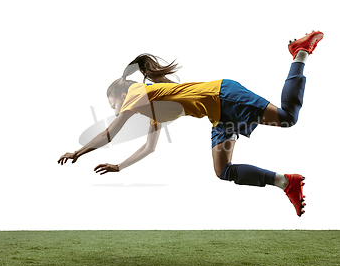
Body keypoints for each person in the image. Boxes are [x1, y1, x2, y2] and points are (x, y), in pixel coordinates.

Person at [58, 31, 324, 217]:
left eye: (111, 102)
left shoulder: (136, 94)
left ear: (121, 93)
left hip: (223, 95)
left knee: (287, 118)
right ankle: (285, 183)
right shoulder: (151, 108)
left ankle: (300, 51)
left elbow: (108, 134)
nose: (113, 108)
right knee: (223, 171)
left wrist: (78, 152)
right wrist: (119, 166)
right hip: (220, 115)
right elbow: (149, 148)